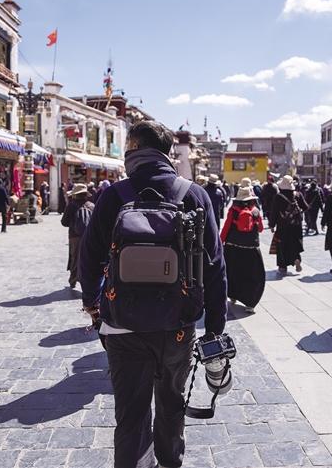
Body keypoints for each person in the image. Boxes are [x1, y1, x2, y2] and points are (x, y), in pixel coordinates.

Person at [78, 120, 227, 468]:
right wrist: (214, 329)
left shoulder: (113, 195)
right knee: (172, 404)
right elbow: (215, 265)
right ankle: (170, 461)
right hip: (178, 325)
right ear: (167, 152)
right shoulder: (193, 194)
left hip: (122, 325)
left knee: (131, 414)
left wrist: (93, 305)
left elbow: (89, 256)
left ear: (133, 147)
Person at [221, 186, 265, 313]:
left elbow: (226, 227)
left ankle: (233, 295)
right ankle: (250, 303)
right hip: (251, 248)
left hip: (233, 247)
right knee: (252, 275)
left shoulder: (233, 210)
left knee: (233, 272)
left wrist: (220, 242)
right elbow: (261, 229)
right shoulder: (256, 211)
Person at [270, 175, 308, 275]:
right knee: (295, 242)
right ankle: (296, 259)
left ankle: (282, 267)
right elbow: (306, 207)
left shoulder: (278, 197)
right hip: (297, 224)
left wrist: (272, 225)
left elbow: (274, 212)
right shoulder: (298, 194)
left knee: (282, 245)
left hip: (283, 225)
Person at [61, 183, 94, 290]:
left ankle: (73, 280)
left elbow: (64, 222)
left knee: (74, 258)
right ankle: (88, 281)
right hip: (89, 237)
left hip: (74, 236)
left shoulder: (71, 206)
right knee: (88, 258)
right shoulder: (91, 206)